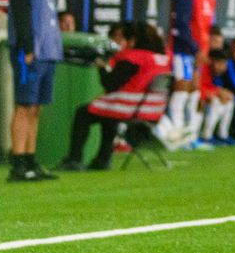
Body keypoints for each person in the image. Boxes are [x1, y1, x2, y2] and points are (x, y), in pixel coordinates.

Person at [59, 22, 172, 171]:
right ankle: (103, 159)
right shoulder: (161, 59)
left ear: (132, 40)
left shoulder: (134, 58)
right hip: (152, 111)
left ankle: (74, 159)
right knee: (107, 114)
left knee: (84, 113)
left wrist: (102, 67)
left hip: (130, 107)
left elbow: (110, 83)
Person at [7, 0, 62, 181]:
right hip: (29, 51)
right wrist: (28, 47)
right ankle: (17, 162)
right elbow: (20, 13)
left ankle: (30, 159)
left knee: (36, 107)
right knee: (24, 105)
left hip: (48, 50)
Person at [168, 0, 216, 139]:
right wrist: (195, 49)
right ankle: (176, 133)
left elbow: (205, 28)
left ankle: (190, 135)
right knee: (182, 89)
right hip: (183, 51)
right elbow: (181, 24)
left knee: (195, 92)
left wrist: (203, 51)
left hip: (199, 53)